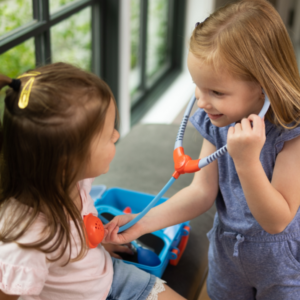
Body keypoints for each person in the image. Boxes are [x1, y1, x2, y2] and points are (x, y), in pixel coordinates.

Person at [104, 1, 300, 299]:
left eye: (216, 92)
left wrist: (246, 161)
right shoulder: (218, 123)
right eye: (197, 85)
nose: (202, 101)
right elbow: (201, 193)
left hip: (282, 267)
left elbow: (276, 221)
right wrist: (140, 222)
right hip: (226, 257)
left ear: (263, 85)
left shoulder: (291, 135)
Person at [0, 63, 186, 300]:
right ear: (67, 162)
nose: (117, 136)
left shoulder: (76, 179)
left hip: (111, 276)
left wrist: (96, 248)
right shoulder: (24, 240)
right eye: (109, 135)